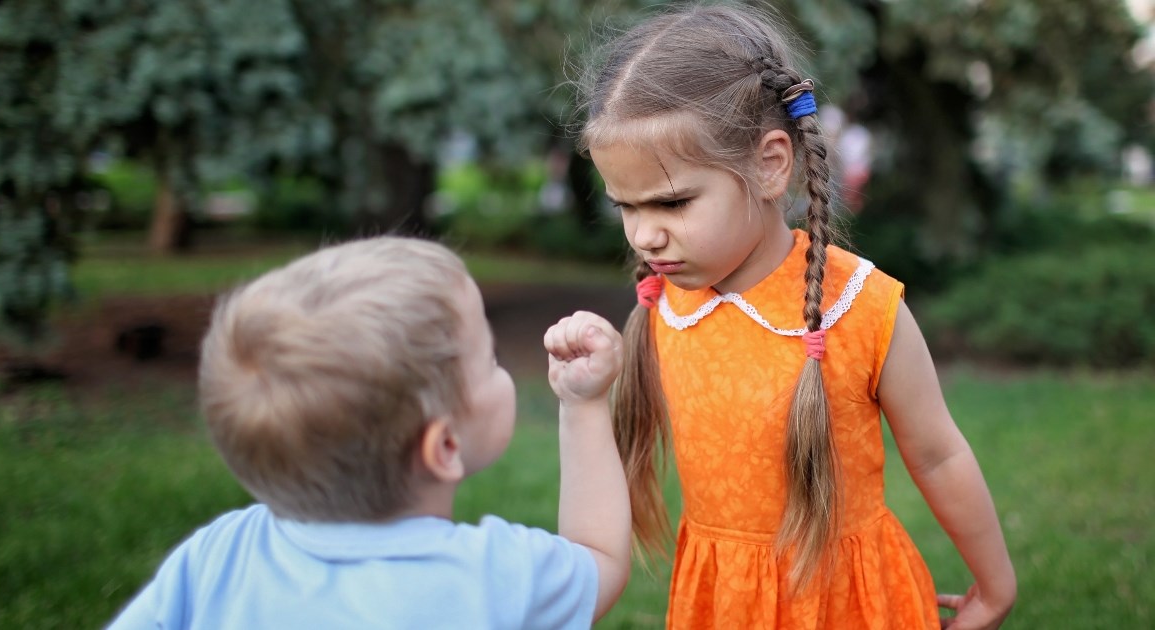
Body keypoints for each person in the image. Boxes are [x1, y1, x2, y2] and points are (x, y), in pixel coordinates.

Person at [575, 4, 1016, 629]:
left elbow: (938, 454)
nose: (645, 235)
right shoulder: (665, 304)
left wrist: (995, 586)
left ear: (770, 163)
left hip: (848, 604)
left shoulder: (859, 307)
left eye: (672, 202)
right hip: (722, 605)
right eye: (626, 205)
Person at [107, 236, 630, 629]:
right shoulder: (498, 577)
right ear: (444, 447)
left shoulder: (218, 556)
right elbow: (600, 557)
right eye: (488, 357)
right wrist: (583, 405)